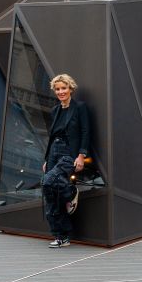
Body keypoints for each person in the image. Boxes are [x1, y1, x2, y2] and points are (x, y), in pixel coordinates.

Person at [41, 74, 90, 249]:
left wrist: (81, 156)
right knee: (50, 192)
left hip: (69, 153)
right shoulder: (55, 111)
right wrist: (47, 159)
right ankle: (61, 236)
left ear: (71, 89)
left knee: (49, 182)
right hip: (54, 152)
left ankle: (70, 193)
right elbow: (52, 136)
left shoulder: (80, 108)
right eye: (58, 89)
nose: (61, 91)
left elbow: (85, 132)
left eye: (64, 88)